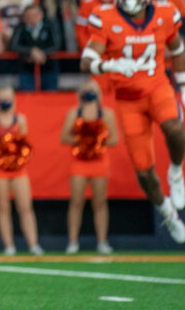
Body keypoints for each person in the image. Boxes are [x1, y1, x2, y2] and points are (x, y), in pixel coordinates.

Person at [82, 0, 185, 243]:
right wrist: (108, 66)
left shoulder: (165, 13)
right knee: (144, 172)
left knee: (174, 127)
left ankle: (176, 172)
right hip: (127, 100)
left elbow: (178, 50)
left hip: (158, 87)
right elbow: (86, 60)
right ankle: (166, 211)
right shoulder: (104, 17)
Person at [0, 86, 43, 256]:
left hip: (18, 168)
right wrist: (2, 146)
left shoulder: (20, 119)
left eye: (9, 98)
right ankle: (9, 245)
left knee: (25, 206)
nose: (6, 101)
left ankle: (33, 244)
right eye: (2, 98)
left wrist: (14, 150)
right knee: (3, 207)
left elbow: (25, 143)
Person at [60, 80, 119, 254]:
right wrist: (82, 142)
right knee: (76, 202)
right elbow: (64, 137)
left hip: (99, 162)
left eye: (92, 90)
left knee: (100, 202)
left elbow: (114, 139)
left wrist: (96, 142)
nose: (89, 92)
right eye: (86, 89)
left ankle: (102, 241)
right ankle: (72, 242)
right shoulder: (74, 113)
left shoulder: (106, 114)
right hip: (79, 162)